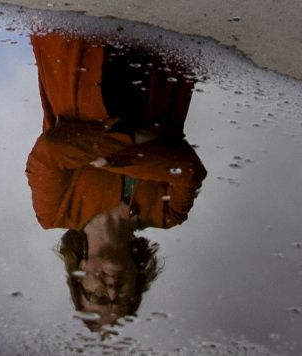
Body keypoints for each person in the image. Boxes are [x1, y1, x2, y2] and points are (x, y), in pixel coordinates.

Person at [26, 32, 206, 332]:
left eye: (96, 296)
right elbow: (187, 168)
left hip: (80, 56)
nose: (110, 291)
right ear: (137, 281)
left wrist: (140, 144)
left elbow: (49, 153)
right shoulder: (168, 214)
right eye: (122, 299)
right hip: (160, 65)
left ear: (80, 275)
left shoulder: (55, 213)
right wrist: (109, 153)